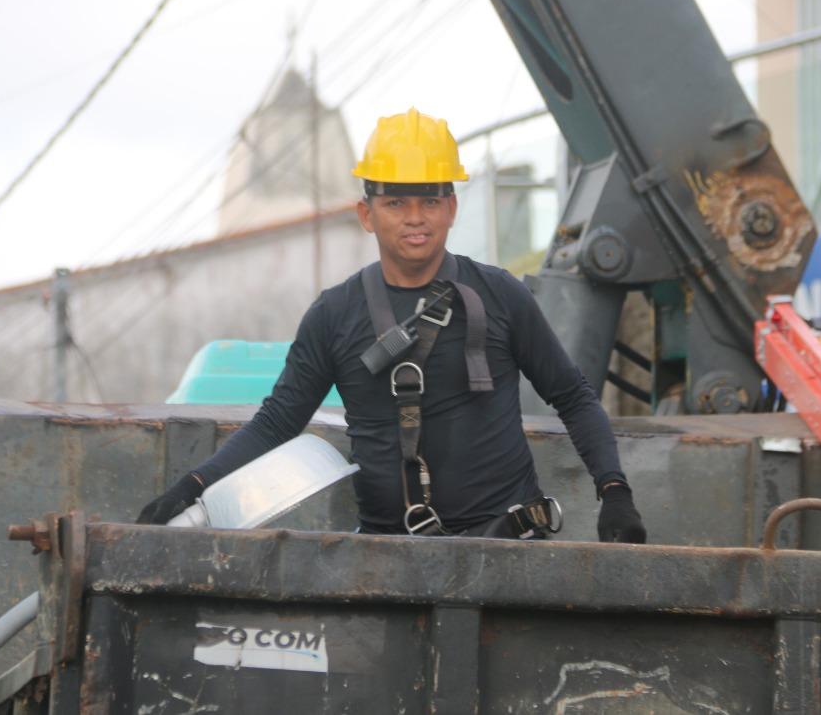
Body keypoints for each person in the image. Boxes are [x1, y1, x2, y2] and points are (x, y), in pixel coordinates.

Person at [139, 108, 646, 543]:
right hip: (390, 564)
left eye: (429, 200)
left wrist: (614, 491)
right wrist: (193, 486)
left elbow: (573, 396)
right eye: (396, 202)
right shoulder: (333, 315)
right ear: (366, 213)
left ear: (451, 207)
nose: (415, 218)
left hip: (509, 549)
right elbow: (277, 421)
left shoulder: (501, 295)